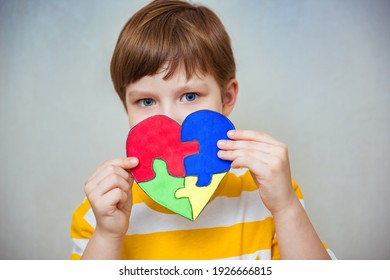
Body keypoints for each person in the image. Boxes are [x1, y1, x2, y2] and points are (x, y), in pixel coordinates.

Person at [70, 0, 334, 260]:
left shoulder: (268, 194)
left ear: (227, 98)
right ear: (126, 106)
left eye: (190, 96)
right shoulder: (103, 209)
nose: (169, 118)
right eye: (146, 101)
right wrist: (107, 236)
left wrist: (286, 208)